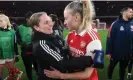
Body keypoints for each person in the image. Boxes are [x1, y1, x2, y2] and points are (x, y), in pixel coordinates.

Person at [29, 11, 104, 80]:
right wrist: (90, 59)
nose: (51, 24)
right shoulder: (42, 44)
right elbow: (61, 63)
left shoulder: (54, 36)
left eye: (50, 20)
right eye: (46, 22)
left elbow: (65, 53)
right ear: (37, 27)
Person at [44, 0, 103, 80]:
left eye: (66, 18)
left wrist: (61, 75)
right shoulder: (70, 36)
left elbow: (87, 74)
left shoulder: (93, 40)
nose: (64, 22)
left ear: (76, 17)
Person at [106, 7, 133, 80]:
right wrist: (108, 52)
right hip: (116, 53)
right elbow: (109, 38)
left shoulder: (132, 24)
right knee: (111, 67)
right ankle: (109, 78)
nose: (132, 13)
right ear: (124, 12)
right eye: (130, 12)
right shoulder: (115, 24)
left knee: (123, 69)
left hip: (127, 53)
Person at [16, 11, 38, 80]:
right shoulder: (20, 27)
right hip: (25, 51)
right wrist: (23, 44)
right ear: (27, 18)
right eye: (31, 18)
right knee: (28, 67)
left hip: (35, 50)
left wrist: (33, 44)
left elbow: (39, 37)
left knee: (37, 67)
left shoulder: (35, 27)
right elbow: (18, 39)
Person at [0, 14, 22, 80]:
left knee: (11, 70)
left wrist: (17, 55)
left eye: (0, 21)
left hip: (10, 54)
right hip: (0, 55)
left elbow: (15, 44)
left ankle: (17, 73)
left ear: (6, 21)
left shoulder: (12, 32)